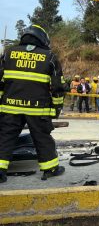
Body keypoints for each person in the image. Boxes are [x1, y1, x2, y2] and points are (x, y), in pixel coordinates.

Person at [0, 25, 65, 183]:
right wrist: (56, 108)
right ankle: (50, 169)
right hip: (37, 108)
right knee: (42, 137)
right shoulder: (49, 56)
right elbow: (58, 87)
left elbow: (0, 82)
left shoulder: (8, 53)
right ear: (43, 39)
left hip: (10, 106)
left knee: (5, 137)